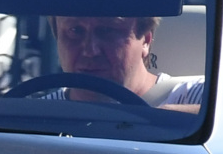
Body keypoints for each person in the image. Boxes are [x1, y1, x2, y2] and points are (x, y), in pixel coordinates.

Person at [47, 15, 205, 109]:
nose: (90, 51)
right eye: (75, 31)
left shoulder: (197, 98)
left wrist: (165, 119)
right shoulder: (38, 114)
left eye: (107, 30)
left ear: (145, 40)